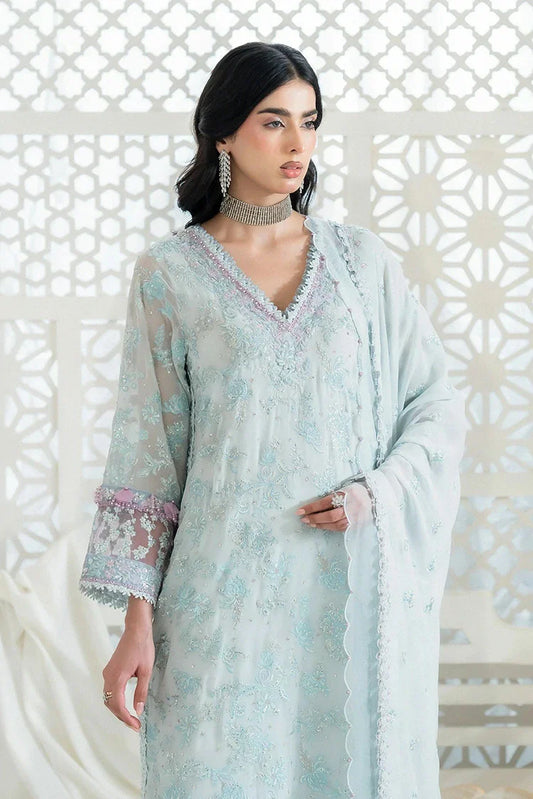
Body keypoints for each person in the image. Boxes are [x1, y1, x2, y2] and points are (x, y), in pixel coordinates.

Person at [79, 41, 466, 799]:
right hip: (218, 603)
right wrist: (136, 623)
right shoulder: (170, 273)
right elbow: (149, 455)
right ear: (223, 132)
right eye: (273, 121)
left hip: (342, 592)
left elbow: (435, 406)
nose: (297, 144)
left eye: (309, 122)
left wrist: (376, 496)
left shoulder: (361, 266)